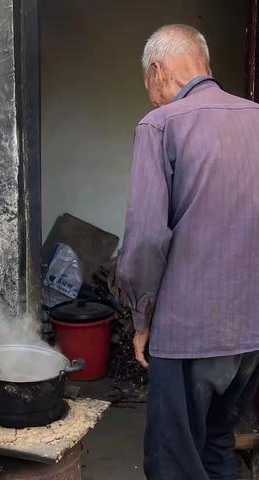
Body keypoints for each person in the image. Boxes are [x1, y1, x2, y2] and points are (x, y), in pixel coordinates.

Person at [117, 24, 259, 479]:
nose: (152, 98)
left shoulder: (161, 125)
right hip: (252, 334)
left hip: (188, 334)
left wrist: (141, 317)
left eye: (148, 87)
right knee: (218, 444)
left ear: (157, 72)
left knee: (175, 461)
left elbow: (144, 239)